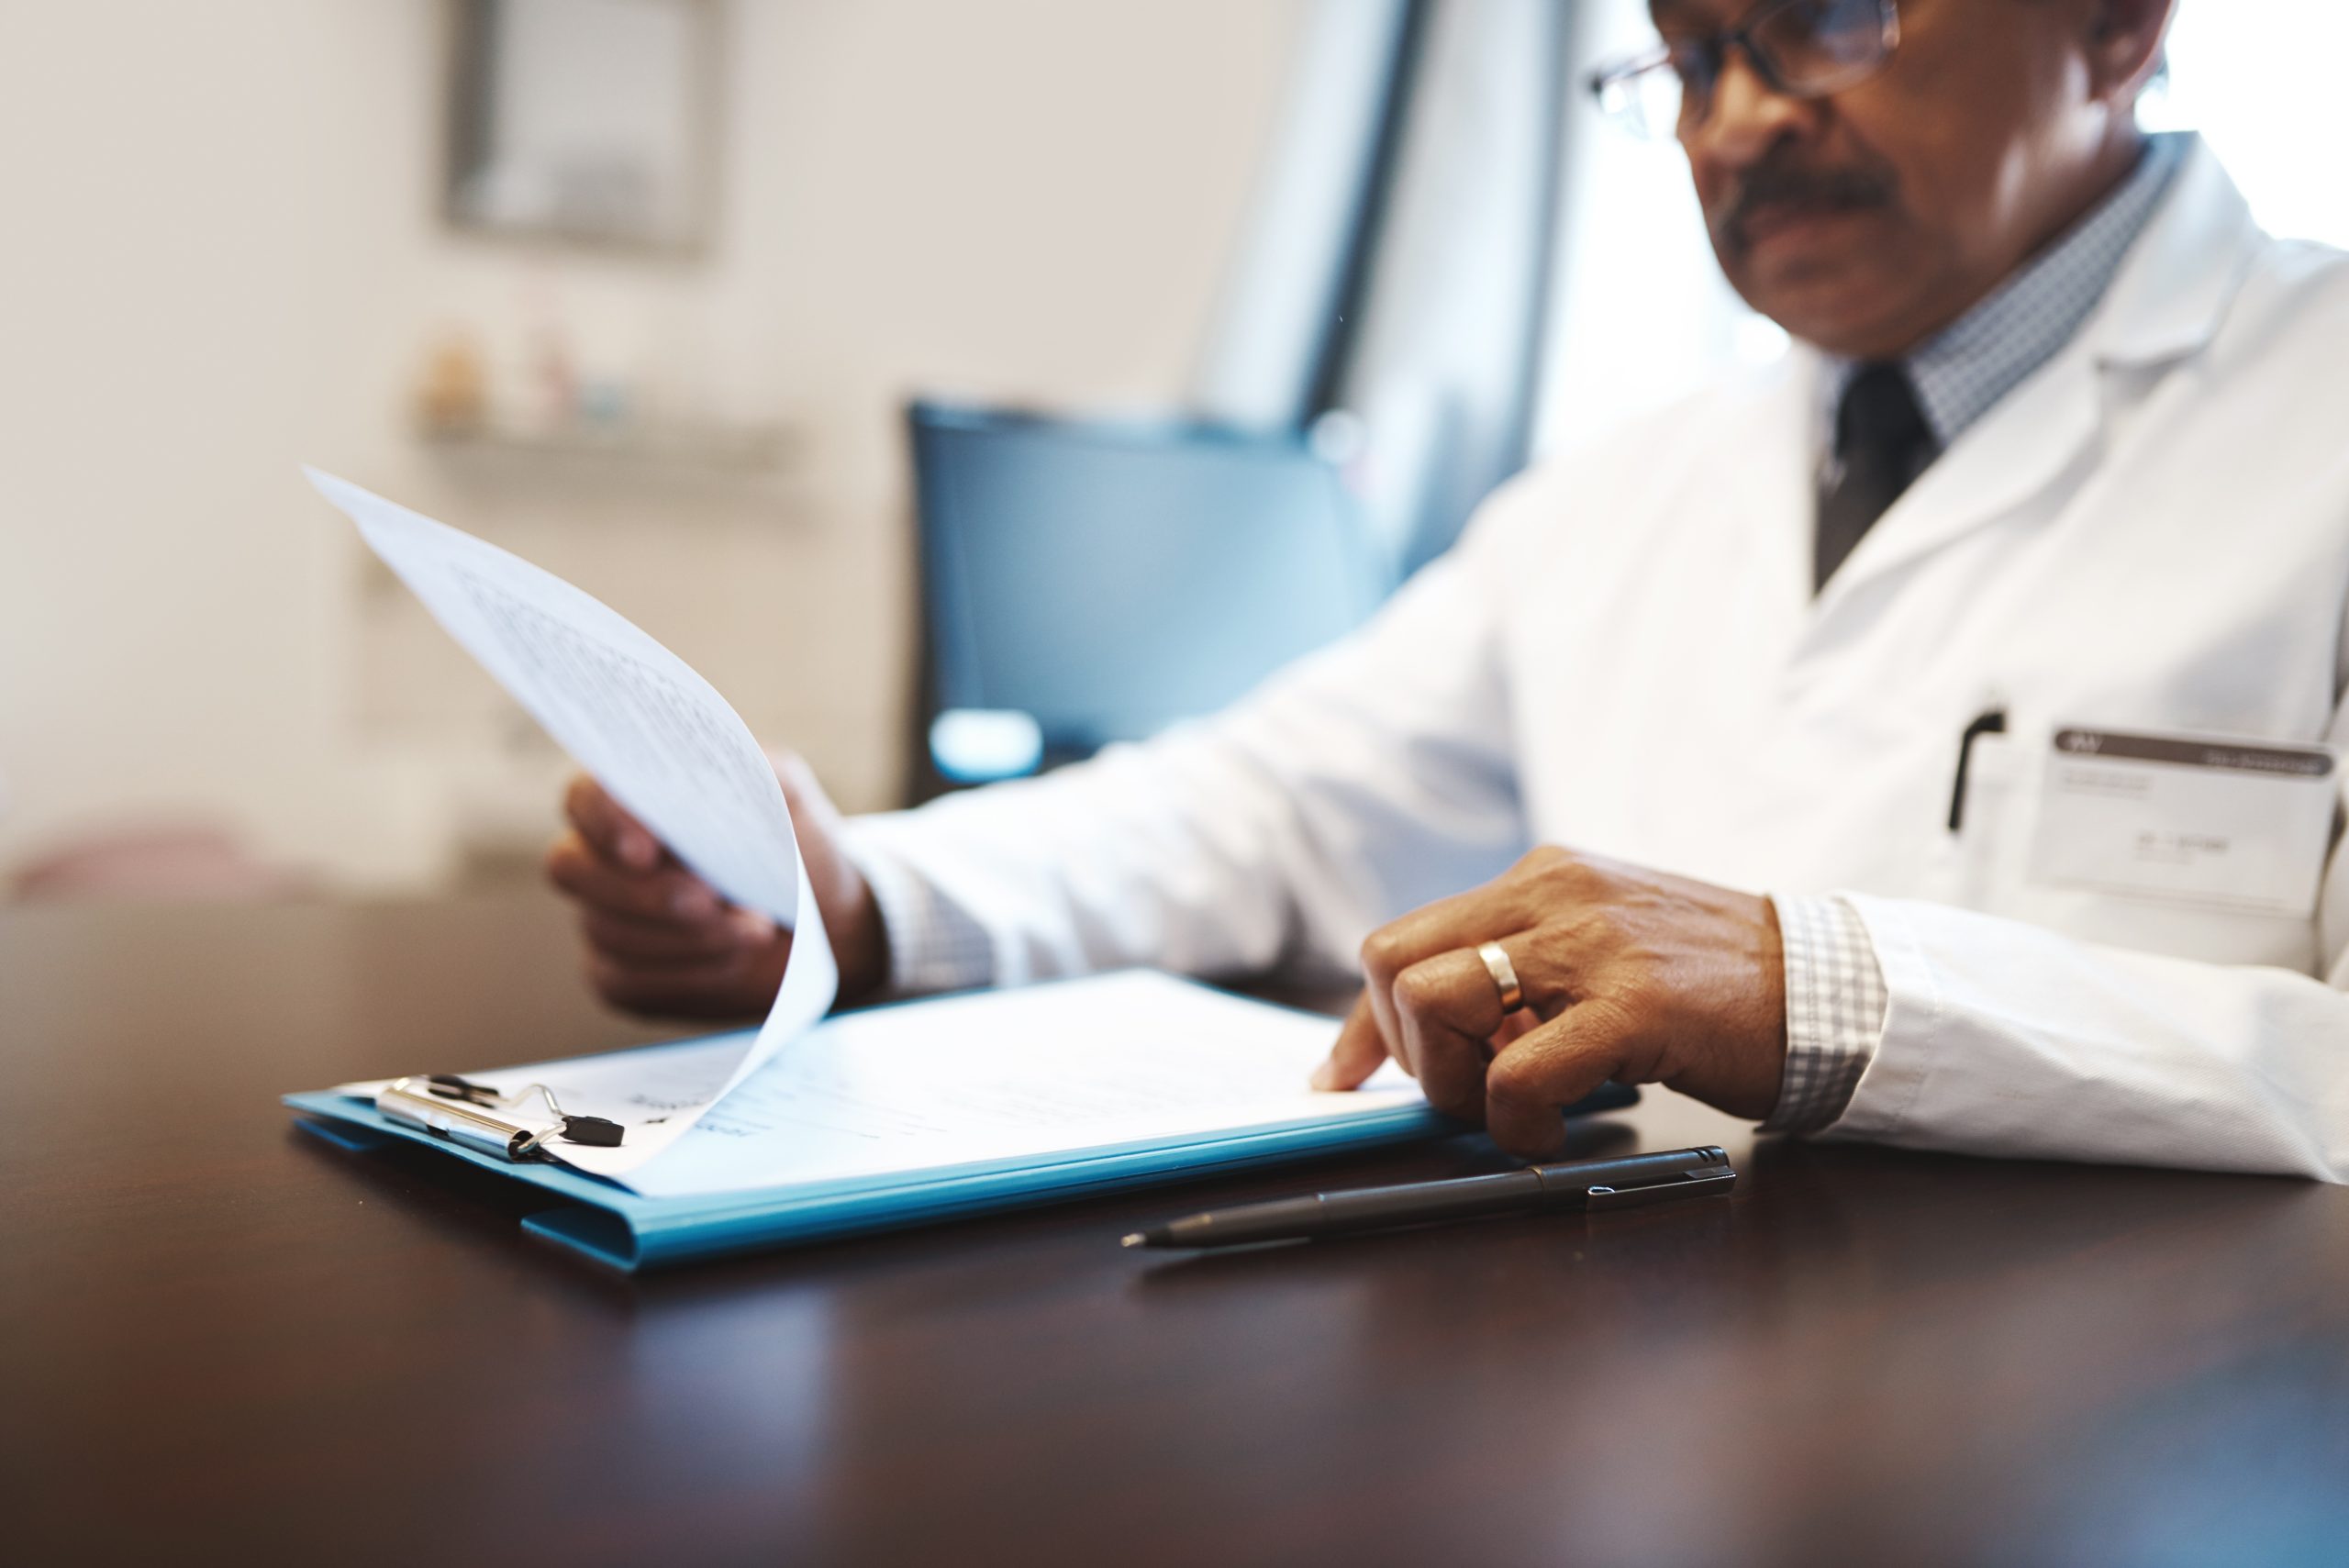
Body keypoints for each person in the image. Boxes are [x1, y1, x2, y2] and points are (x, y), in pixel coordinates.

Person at [548, 0, 2349, 1180]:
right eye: (1684, 59)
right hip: (1632, 1385)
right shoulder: (1621, 489)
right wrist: (861, 897)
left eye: (1812, 22)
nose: (1730, 128)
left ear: (2113, 24)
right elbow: (1263, 801)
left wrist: (1825, 988)